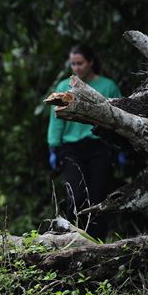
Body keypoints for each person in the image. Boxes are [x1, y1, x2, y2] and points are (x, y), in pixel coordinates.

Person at [47, 44, 122, 239]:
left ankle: (97, 243)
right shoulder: (64, 87)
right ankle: (74, 240)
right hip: (72, 148)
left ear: (90, 62)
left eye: (80, 63)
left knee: (98, 198)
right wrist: (53, 147)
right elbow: (55, 121)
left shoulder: (107, 86)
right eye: (73, 64)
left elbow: (120, 119)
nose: (76, 68)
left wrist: (121, 147)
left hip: (99, 146)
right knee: (77, 197)